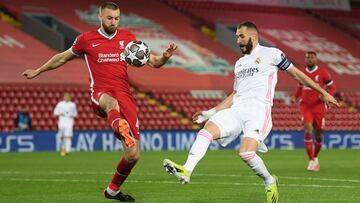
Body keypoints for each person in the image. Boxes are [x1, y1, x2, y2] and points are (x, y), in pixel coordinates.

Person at [162, 22, 339, 203]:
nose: (237, 41)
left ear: (253, 37)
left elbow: (297, 74)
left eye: (241, 37)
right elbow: (235, 94)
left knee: (246, 153)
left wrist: (323, 92)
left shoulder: (272, 54)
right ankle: (187, 170)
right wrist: (210, 112)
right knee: (206, 131)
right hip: (237, 109)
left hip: (258, 110)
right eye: (237, 36)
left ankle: (270, 180)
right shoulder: (239, 63)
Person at [22, 2, 177, 202]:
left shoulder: (128, 39)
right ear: (100, 17)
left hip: (125, 95)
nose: (114, 22)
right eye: (109, 18)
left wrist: (164, 57)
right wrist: (38, 71)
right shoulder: (86, 39)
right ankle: (119, 125)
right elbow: (61, 58)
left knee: (133, 155)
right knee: (112, 104)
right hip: (101, 93)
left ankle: (112, 191)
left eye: (117, 18)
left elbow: (154, 62)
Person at [291, 51, 336, 172]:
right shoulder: (302, 73)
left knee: (319, 135)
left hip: (319, 107)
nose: (309, 59)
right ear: (305, 60)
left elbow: (332, 88)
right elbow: (300, 88)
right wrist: (295, 97)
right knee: (307, 128)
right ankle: (311, 160)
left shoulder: (323, 72)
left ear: (316, 59)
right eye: (307, 58)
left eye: (311, 57)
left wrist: (327, 95)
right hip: (306, 106)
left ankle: (315, 157)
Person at [54, 92, 77, 156]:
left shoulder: (72, 104)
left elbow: (75, 114)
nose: (67, 97)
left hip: (69, 121)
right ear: (63, 97)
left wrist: (72, 115)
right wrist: (59, 114)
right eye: (65, 96)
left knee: (68, 136)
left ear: (70, 97)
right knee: (61, 136)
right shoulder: (60, 104)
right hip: (61, 121)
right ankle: (63, 148)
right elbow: (55, 112)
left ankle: (67, 150)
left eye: (68, 96)